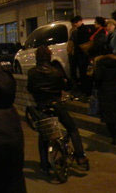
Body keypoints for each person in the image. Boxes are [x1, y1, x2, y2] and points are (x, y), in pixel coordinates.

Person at [27, 45, 89, 174]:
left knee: (44, 134)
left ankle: (44, 165)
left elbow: (30, 88)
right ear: (49, 57)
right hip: (57, 105)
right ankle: (80, 156)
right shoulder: (56, 72)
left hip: (42, 107)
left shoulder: (32, 72)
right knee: (72, 129)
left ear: (37, 57)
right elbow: (66, 86)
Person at [71, 15, 93, 96]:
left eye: (76, 22)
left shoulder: (83, 30)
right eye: (74, 23)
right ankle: (85, 90)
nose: (75, 24)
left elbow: (82, 44)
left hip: (83, 55)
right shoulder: (79, 30)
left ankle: (86, 91)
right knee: (82, 73)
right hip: (81, 55)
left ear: (80, 21)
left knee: (84, 73)